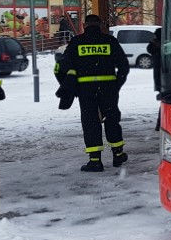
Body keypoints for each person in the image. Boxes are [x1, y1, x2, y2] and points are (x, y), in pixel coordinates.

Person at [55, 14, 130, 172]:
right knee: (111, 119)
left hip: (85, 90)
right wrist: (117, 84)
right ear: (100, 25)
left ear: (84, 25)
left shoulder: (77, 42)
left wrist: (69, 85)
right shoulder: (110, 41)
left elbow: (63, 66)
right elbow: (123, 66)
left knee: (90, 122)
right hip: (108, 89)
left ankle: (95, 161)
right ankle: (118, 154)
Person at [147, 28, 162, 131]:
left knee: (164, 101)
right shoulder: (157, 47)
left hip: (160, 78)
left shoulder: (154, 46)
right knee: (166, 101)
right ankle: (160, 123)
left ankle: (159, 123)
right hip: (165, 78)